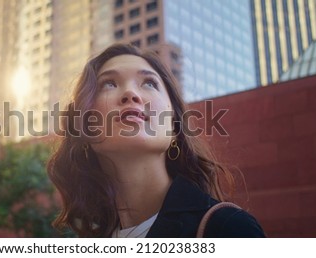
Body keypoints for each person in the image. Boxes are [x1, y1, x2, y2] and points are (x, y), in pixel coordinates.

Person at [47, 43, 265, 238]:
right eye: (109, 84)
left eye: (149, 83)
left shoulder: (227, 229)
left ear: (174, 125)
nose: (131, 93)